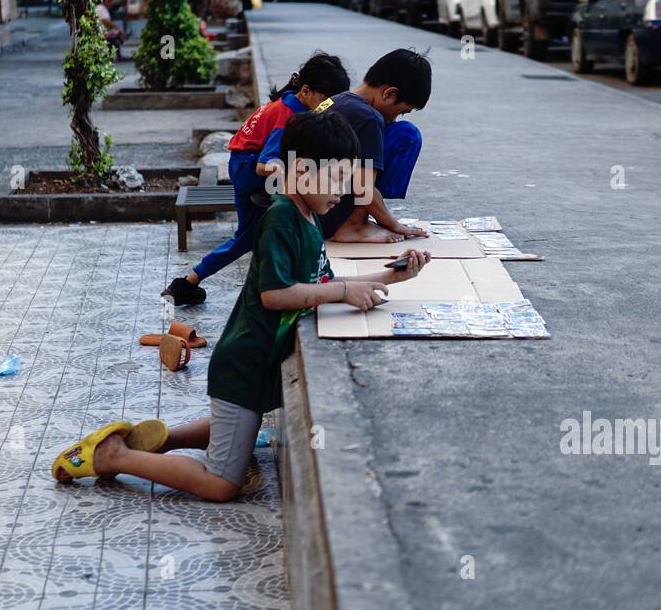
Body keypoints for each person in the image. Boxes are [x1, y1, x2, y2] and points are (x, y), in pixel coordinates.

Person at [52, 110, 432, 500]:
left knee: (240, 425)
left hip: (257, 366)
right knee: (221, 483)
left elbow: (323, 282)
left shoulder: (310, 218)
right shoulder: (281, 219)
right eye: (336, 178)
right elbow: (276, 295)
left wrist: (391, 276)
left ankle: (161, 439)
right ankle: (114, 456)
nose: (344, 192)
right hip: (245, 364)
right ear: (301, 170)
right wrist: (340, 294)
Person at [161, 52, 351, 306]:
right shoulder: (288, 117)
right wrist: (292, 180)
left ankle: (187, 283)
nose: (328, 106)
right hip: (250, 171)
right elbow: (264, 165)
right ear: (306, 90)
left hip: (240, 166)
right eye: (326, 100)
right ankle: (188, 284)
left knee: (248, 237)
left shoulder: (287, 103)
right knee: (273, 224)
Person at [313, 48, 433, 244]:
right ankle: (354, 224)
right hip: (326, 215)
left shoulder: (336, 100)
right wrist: (394, 224)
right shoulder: (368, 118)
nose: (394, 119)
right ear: (389, 93)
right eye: (400, 111)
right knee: (406, 135)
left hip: (306, 210)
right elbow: (362, 188)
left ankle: (357, 219)